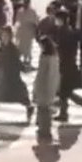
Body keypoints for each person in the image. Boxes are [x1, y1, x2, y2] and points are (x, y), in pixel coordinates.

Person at [0, 26, 33, 124]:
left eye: (5, 35)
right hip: (1, 74)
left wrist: (24, 69)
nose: (3, 37)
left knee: (20, 96)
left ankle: (29, 107)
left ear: (10, 36)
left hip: (11, 77)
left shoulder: (13, 49)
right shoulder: (2, 46)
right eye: (2, 35)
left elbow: (17, 62)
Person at [55, 5, 82, 121]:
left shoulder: (65, 32)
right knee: (65, 92)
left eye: (58, 19)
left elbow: (65, 49)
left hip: (66, 65)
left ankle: (80, 106)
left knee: (63, 91)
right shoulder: (67, 31)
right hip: (68, 63)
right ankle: (66, 112)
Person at [32, 10, 62, 142]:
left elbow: (45, 75)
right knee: (44, 110)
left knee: (44, 111)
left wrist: (41, 90)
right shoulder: (53, 57)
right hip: (47, 88)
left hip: (44, 88)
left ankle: (45, 130)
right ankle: (44, 129)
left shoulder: (47, 58)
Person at [13, 0, 38, 69]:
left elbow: (35, 22)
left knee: (28, 48)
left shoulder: (32, 11)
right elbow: (17, 21)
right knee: (21, 48)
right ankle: (20, 62)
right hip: (22, 32)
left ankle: (27, 62)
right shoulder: (20, 11)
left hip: (28, 32)